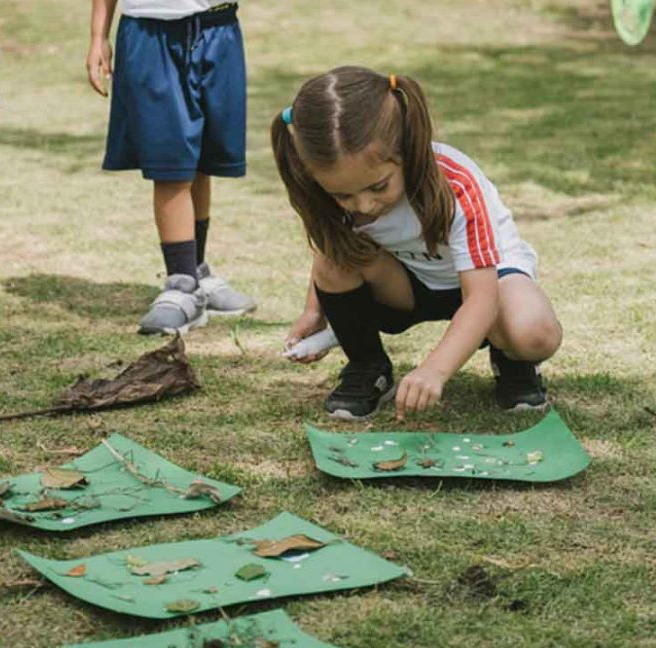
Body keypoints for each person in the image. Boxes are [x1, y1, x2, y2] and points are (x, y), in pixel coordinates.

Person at [272, 66, 562, 420]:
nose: (363, 205)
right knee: (339, 256)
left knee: (536, 333)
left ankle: (512, 361)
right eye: (343, 195)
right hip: (408, 285)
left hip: (489, 283)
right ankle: (367, 365)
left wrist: (435, 370)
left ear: (407, 150)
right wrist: (314, 312)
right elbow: (330, 246)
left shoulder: (454, 183)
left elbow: (481, 299)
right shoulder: (331, 192)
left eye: (377, 187)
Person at [86, 0, 256, 335]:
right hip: (152, 33)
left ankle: (196, 271)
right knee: (170, 164)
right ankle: (182, 284)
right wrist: (98, 36)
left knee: (202, 160)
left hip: (218, 27)